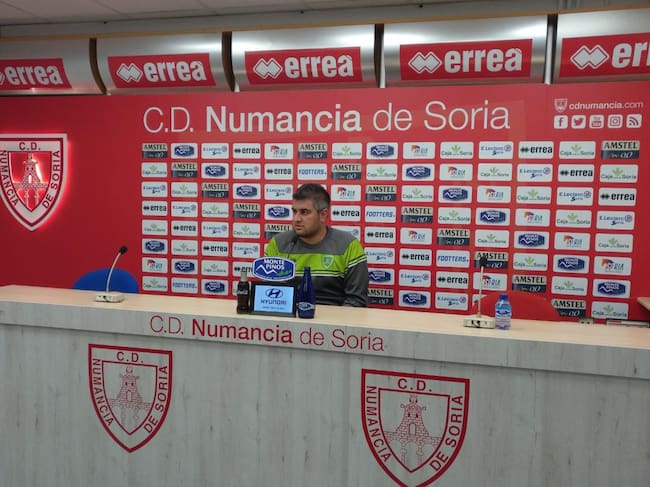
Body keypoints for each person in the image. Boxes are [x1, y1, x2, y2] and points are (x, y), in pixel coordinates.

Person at [265, 183, 368, 307]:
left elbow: (356, 301)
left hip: (335, 317)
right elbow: (267, 295)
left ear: (323, 214)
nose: (296, 219)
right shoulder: (278, 244)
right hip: (289, 316)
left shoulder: (349, 246)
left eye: (304, 212)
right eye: (295, 211)